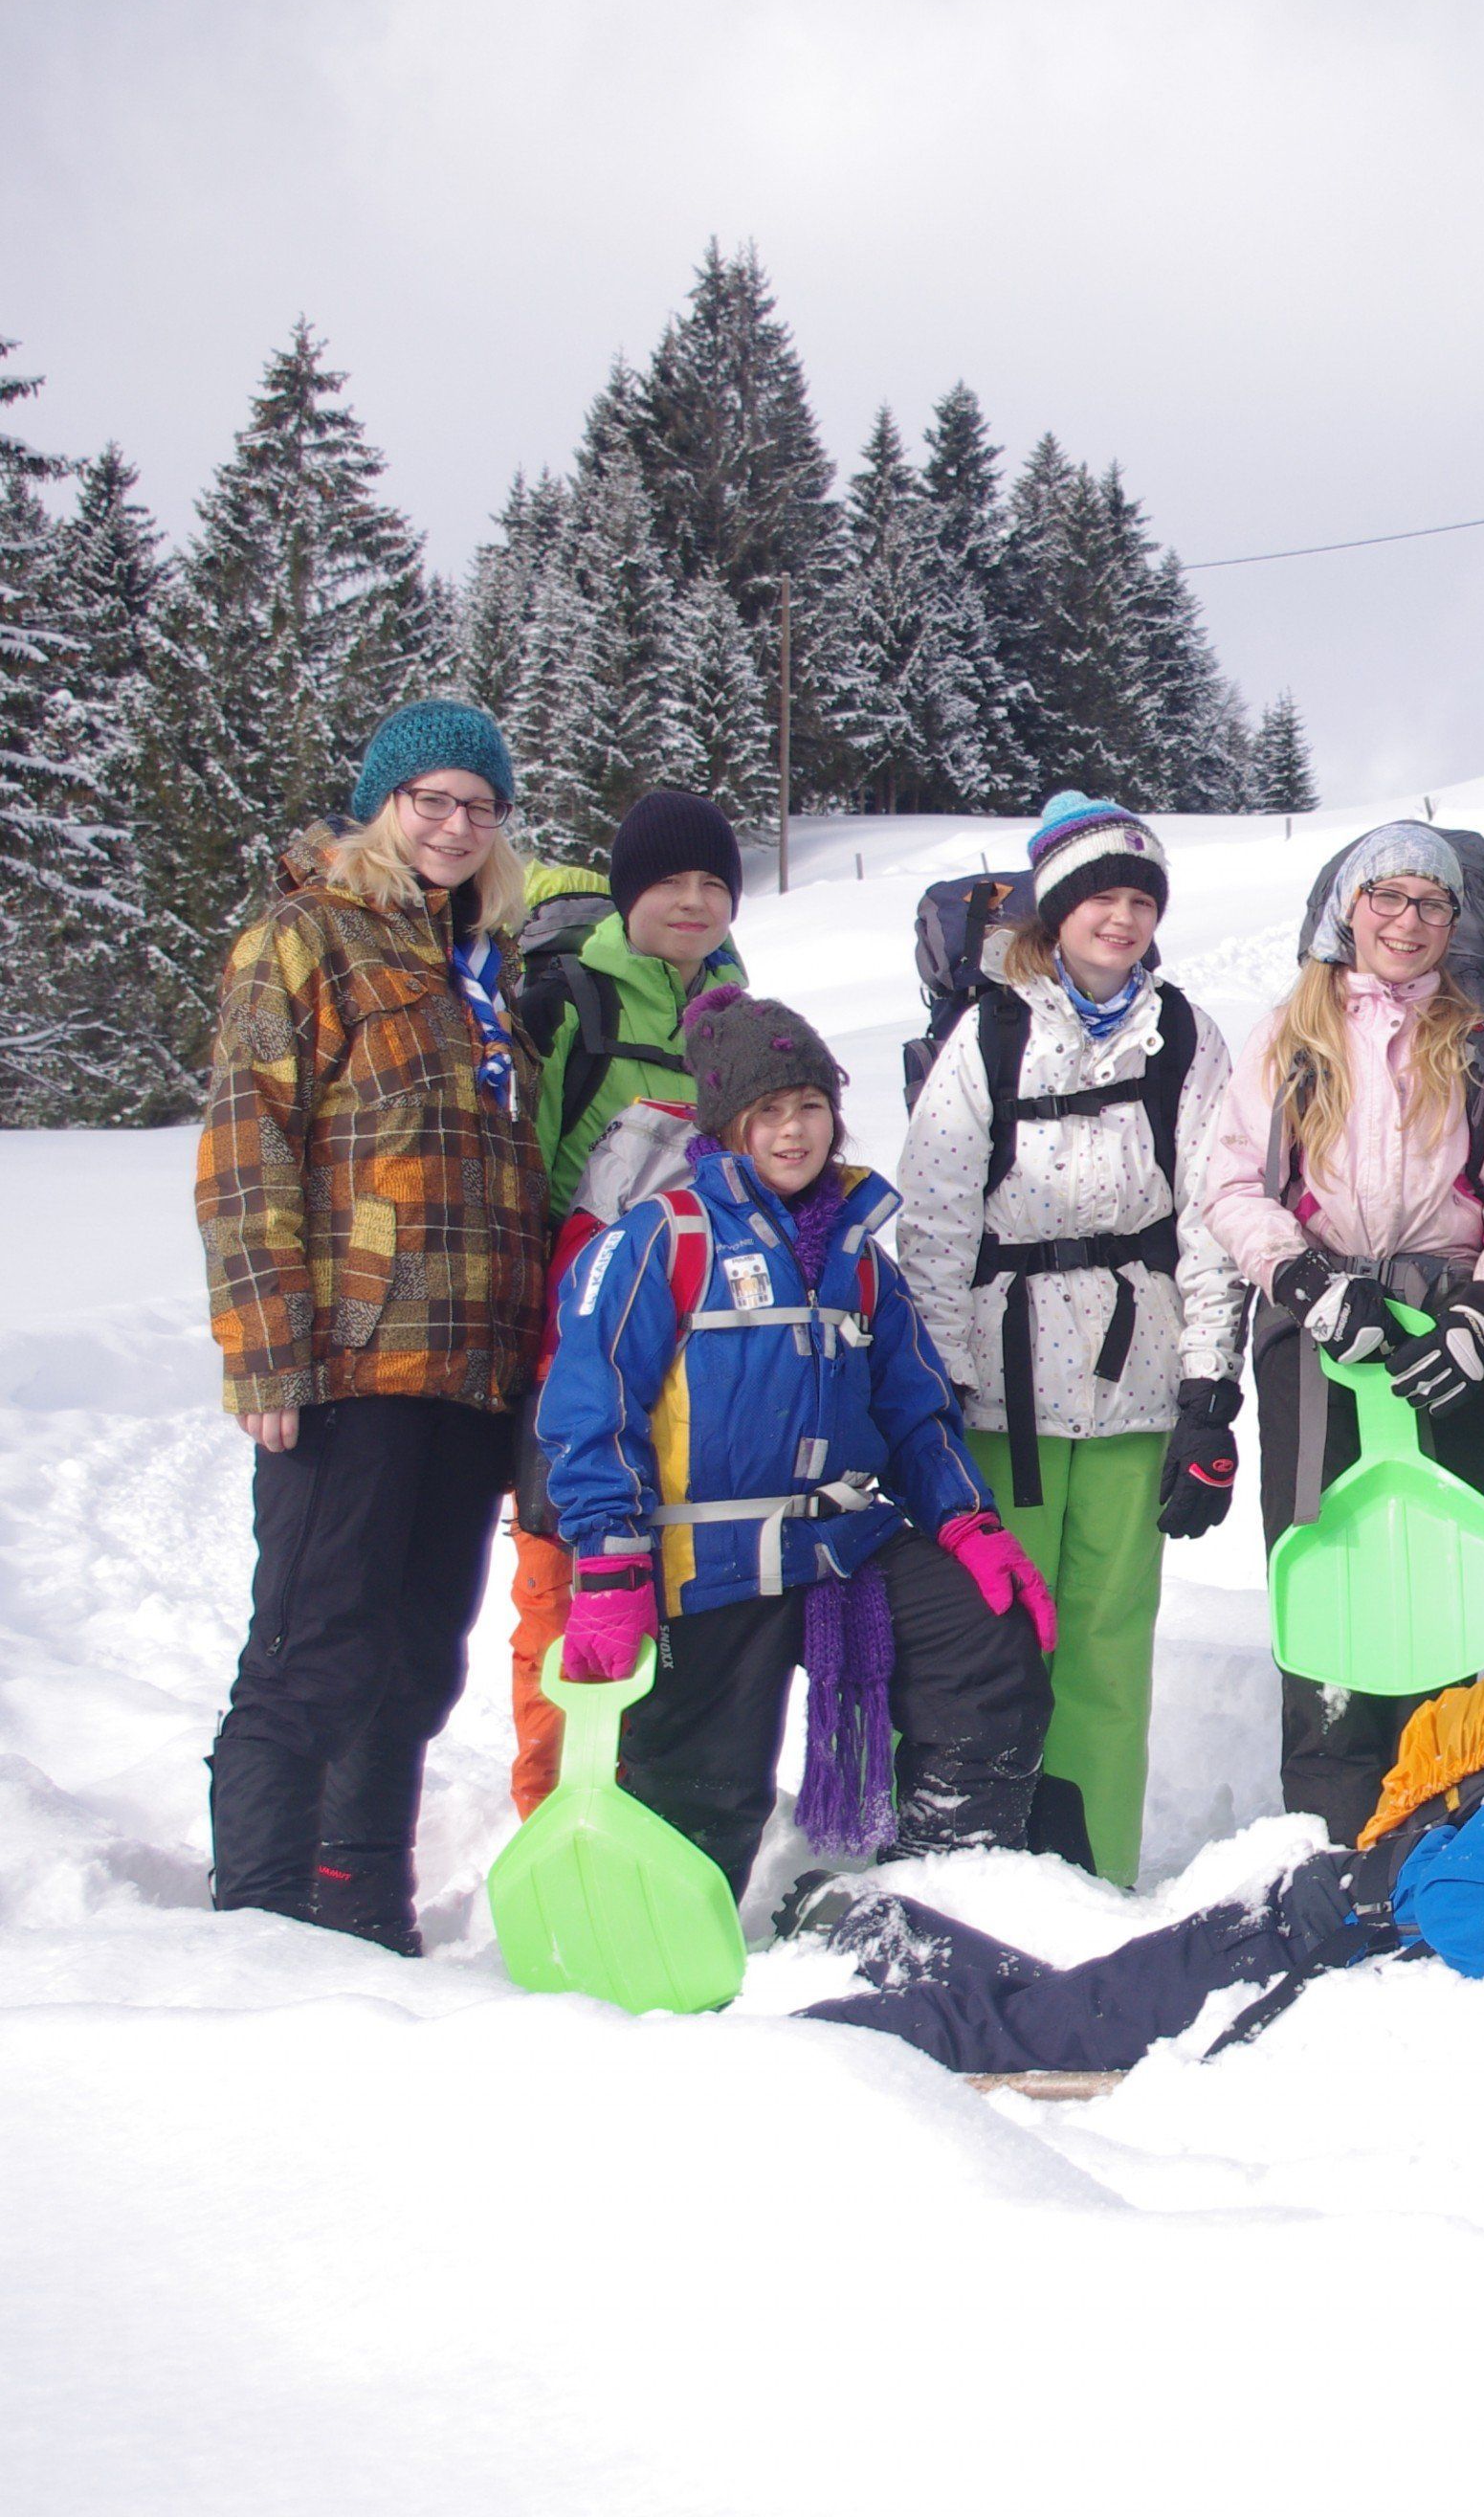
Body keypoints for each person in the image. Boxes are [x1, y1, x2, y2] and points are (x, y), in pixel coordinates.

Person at [787, 1612, 1484, 2075]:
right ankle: (783, 2060)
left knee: (1057, 2011)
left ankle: (882, 1925)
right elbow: (1465, 1901)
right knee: (1029, 2042)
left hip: (1362, 1972)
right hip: (1306, 1937)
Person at [534, 989, 1056, 1899]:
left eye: (810, 1106)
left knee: (985, 1639)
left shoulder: (857, 1254)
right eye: (768, 1111)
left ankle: (940, 1888)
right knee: (704, 1792)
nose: (793, 1132)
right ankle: (665, 1971)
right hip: (708, 1563)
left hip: (841, 1547)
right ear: (728, 1126)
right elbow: (591, 1406)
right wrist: (610, 1566)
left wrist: (969, 1523)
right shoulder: (662, 1238)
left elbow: (913, 1410)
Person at [196, 699, 547, 1952]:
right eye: (432, 801)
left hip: (470, 1372)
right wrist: (266, 1348)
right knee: (313, 1646)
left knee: (414, 1660)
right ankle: (259, 1912)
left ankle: (361, 1900)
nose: (456, 825)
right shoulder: (304, 939)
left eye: (480, 806)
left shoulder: (485, 968)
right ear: (383, 806)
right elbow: (249, 1156)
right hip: (348, 1361)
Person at [896, 795, 1243, 1887]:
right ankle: (969, 1861)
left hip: (1137, 1389)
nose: (1123, 918)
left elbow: (1211, 1214)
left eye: (1141, 900)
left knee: (1107, 1643)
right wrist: (929, 1403)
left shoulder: (1183, 1033)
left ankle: (1091, 1869)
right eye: (1101, 896)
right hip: (1003, 1394)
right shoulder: (991, 1032)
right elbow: (937, 1220)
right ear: (1057, 910)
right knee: (995, 1639)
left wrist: (1206, 1393)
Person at [1203, 822, 1484, 1838]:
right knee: (1327, 1553)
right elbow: (1232, 1179)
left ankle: (1435, 1805)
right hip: (1318, 1337)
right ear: (1347, 909)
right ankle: (1329, 1806)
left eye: (1431, 905)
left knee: (1434, 1561)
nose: (1407, 923)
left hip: (1436, 1329)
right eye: (1387, 900)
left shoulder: (1479, 1037)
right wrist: (1302, 1278)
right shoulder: (1294, 1031)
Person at [504, 788, 748, 1817]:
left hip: (698, 1344)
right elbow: (519, 1168)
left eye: (713, 885)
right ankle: (554, 1811)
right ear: (624, 891)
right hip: (579, 1341)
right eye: (668, 883)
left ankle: (645, 1806)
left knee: (670, 1575)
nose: (692, 903)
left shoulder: (734, 1005)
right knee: (564, 1581)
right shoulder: (568, 1000)